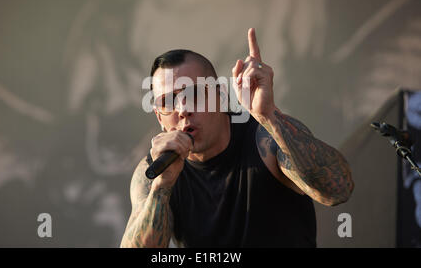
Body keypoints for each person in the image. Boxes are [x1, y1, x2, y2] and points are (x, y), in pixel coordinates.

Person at [120, 28, 354, 248]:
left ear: (221, 97)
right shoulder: (155, 171)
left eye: (194, 93)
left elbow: (338, 190)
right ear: (159, 117)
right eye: (167, 102)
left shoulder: (266, 138)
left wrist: (270, 115)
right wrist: (162, 186)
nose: (183, 109)